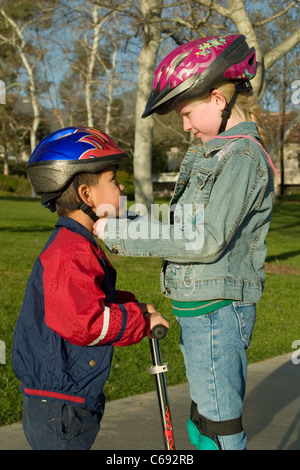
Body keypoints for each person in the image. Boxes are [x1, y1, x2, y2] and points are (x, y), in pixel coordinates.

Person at [93, 35, 276, 450]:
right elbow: (184, 221)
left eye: (188, 113)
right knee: (203, 421)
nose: (186, 125)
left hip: (216, 313)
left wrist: (116, 234)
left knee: (220, 428)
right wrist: (126, 217)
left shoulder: (242, 158)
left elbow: (205, 239)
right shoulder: (214, 155)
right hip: (198, 309)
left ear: (217, 99)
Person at [11, 126, 169, 450]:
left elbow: (91, 298)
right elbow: (86, 321)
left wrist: (137, 307)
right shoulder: (70, 251)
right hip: (61, 406)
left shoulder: (77, 244)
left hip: (64, 398)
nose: (122, 186)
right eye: (113, 180)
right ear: (86, 195)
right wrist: (139, 321)